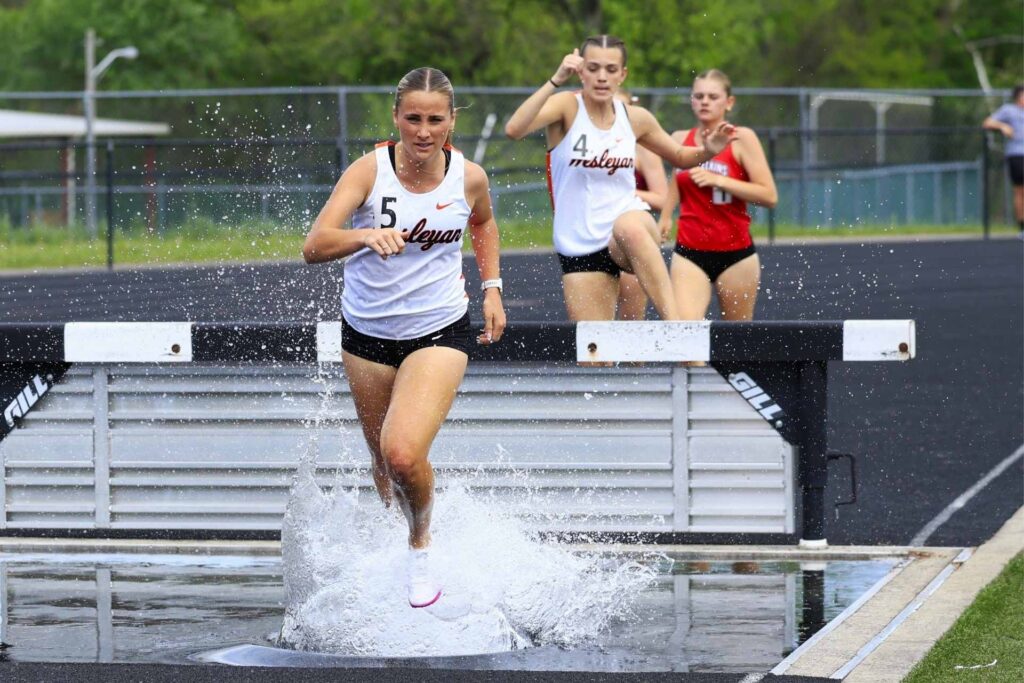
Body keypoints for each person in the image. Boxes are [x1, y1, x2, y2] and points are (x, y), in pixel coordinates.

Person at [302, 67, 506, 609]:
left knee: (402, 452)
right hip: (367, 334)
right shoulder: (369, 171)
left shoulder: (469, 177)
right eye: (412, 118)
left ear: (451, 121)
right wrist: (365, 235)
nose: (423, 131)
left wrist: (492, 287)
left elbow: (483, 223)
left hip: (438, 328)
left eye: (435, 120)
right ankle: (395, 546)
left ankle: (421, 548)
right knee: (384, 466)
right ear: (395, 118)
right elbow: (314, 245)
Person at [504, 35, 735, 322]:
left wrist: (708, 151)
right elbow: (514, 129)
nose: (602, 77)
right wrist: (555, 80)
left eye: (611, 69)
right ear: (581, 71)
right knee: (594, 348)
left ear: (622, 75)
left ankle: (676, 325)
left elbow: (679, 155)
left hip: (628, 233)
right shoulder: (566, 107)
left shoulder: (636, 118)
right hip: (580, 245)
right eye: (593, 68)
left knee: (629, 228)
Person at [659, 69, 777, 322]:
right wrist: (666, 215)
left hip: (735, 253)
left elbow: (769, 195)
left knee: (736, 341)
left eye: (713, 97)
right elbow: (677, 178)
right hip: (690, 251)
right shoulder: (679, 138)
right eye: (699, 96)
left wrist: (719, 180)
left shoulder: (741, 138)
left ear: (729, 102)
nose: (705, 102)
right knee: (685, 333)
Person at [614, 90, 669, 321]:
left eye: (621, 108)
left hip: (630, 238)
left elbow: (662, 198)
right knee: (592, 326)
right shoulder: (583, 146)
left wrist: (622, 193)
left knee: (631, 320)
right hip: (593, 236)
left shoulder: (643, 148)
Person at [982, 84, 1024, 232]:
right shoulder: (1009, 110)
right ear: (1018, 97)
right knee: (1020, 191)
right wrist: (1002, 126)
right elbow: (987, 123)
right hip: (1017, 155)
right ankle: (1022, 226)